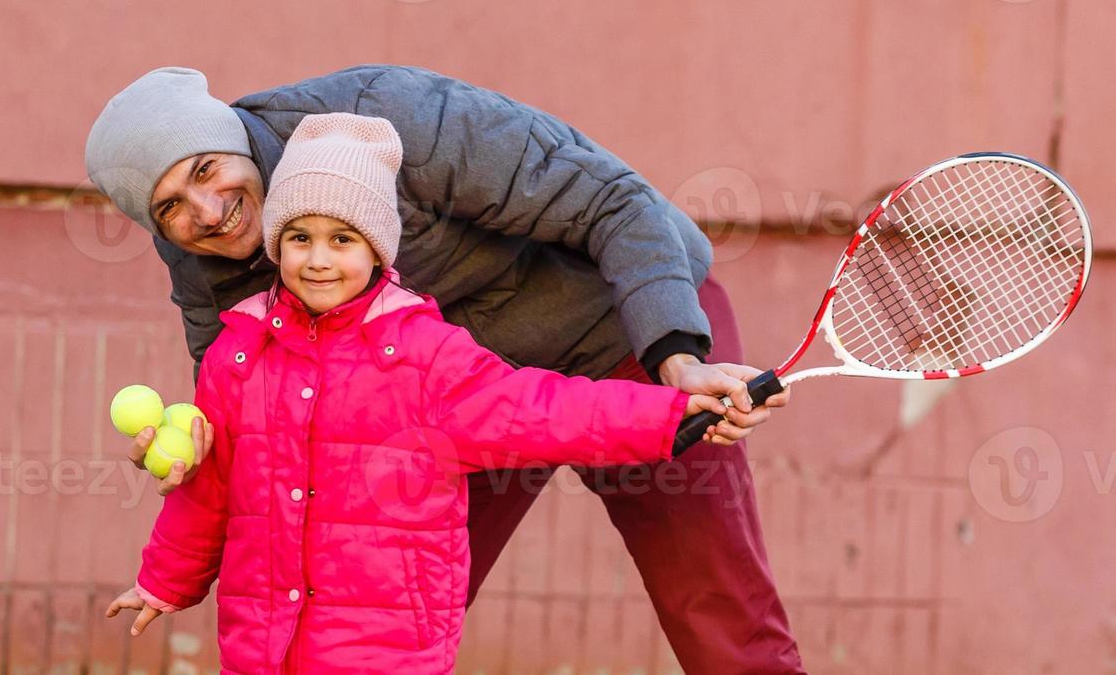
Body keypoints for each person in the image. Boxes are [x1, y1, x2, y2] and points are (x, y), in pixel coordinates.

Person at [84, 66, 804, 673]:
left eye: (206, 171)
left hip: (622, 332)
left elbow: (614, 203)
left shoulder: (395, 116)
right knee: (369, 597)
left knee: (712, 605)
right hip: (436, 400)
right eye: (170, 207)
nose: (206, 212)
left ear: (230, 137)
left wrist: (674, 359)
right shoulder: (200, 246)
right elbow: (242, 391)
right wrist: (192, 447)